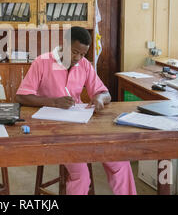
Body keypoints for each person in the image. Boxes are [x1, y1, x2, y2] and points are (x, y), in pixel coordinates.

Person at [15, 26, 137, 195]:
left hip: (81, 127)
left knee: (120, 163)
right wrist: (54, 102)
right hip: (53, 131)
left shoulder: (84, 65)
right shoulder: (42, 62)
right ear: (64, 44)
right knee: (81, 175)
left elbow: (104, 93)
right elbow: (22, 96)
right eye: (74, 52)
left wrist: (99, 98)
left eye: (83, 54)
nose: (78, 58)